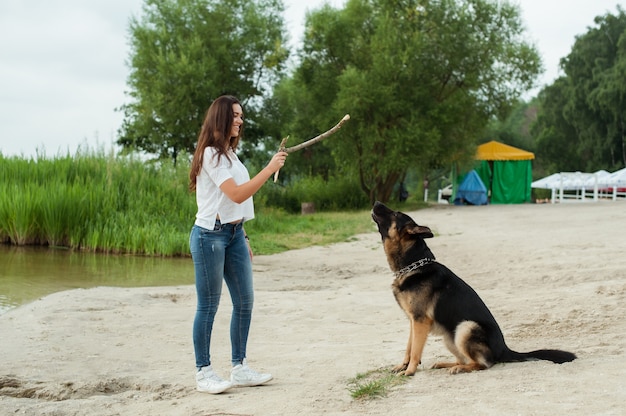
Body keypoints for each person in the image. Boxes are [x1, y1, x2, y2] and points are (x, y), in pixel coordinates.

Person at [188, 95, 288, 394]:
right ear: (220, 117)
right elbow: (236, 194)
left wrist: (242, 236)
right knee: (208, 306)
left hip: (233, 236)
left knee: (245, 302)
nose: (240, 120)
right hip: (209, 236)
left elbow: (235, 205)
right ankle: (203, 372)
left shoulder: (230, 155)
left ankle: (239, 367)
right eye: (234, 115)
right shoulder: (210, 154)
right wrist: (269, 169)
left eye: (241, 116)